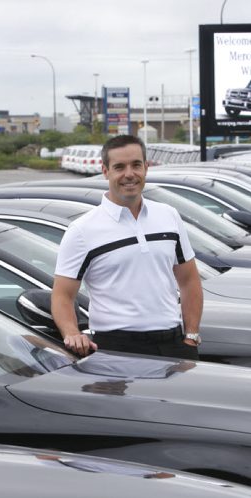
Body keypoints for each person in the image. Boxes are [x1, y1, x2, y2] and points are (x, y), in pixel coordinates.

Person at [51, 134, 203, 359]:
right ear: (105, 171)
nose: (129, 174)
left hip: (173, 345)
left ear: (146, 168)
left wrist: (191, 337)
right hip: (115, 349)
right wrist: (72, 333)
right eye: (119, 167)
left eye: (136, 165)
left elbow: (189, 280)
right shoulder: (82, 230)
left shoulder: (168, 216)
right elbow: (62, 295)